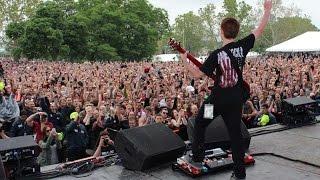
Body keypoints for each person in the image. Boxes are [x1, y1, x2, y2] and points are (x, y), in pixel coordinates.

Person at [180, 1, 272, 179]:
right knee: (235, 135)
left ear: (221, 31)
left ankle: (198, 156)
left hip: (217, 101)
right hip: (235, 100)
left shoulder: (216, 54)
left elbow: (197, 74)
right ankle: (239, 173)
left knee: (200, 123)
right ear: (236, 32)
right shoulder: (243, 46)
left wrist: (184, 59)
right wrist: (267, 9)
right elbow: (259, 29)